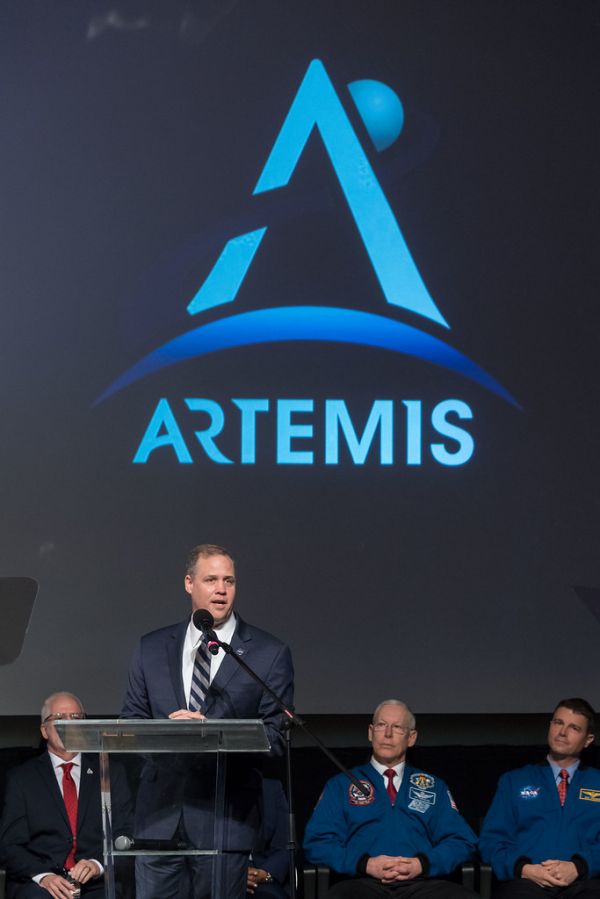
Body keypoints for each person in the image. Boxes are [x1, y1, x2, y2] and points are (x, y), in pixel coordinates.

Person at [121, 543, 294, 899]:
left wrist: (212, 733)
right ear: (189, 583)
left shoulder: (267, 653)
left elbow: (275, 737)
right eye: (211, 579)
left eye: (229, 581)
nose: (221, 589)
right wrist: (171, 737)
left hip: (223, 820)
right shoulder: (151, 647)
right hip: (159, 818)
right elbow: (131, 724)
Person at [303, 699, 477, 898]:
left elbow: (462, 841)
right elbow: (317, 843)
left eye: (397, 727)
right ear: (370, 732)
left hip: (421, 884)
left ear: (411, 738)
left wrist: (422, 864)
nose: (387, 734)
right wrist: (365, 864)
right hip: (361, 883)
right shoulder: (340, 784)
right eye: (381, 725)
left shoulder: (434, 786)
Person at [0, 691, 130, 899]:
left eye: (76, 718)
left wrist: (97, 864)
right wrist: (44, 877)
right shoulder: (21, 778)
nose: (68, 724)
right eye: (59, 718)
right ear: (44, 730)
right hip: (40, 883)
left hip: (96, 883)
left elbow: (125, 833)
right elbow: (10, 845)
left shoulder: (109, 772)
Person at [479, 697, 600, 899]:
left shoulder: (597, 782)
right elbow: (491, 841)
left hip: (585, 883)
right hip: (527, 884)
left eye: (574, 728)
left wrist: (578, 866)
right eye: (558, 723)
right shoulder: (514, 780)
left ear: (588, 740)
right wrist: (524, 869)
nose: (562, 732)